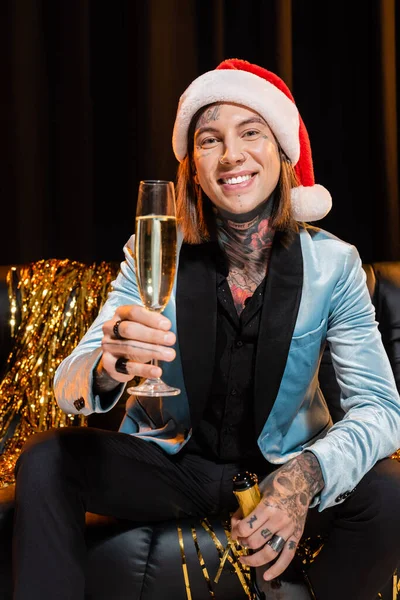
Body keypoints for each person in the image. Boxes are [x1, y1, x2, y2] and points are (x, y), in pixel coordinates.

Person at [12, 59, 400, 600]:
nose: (231, 155)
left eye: (251, 133)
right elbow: (69, 382)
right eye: (209, 139)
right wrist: (106, 368)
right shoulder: (153, 252)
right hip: (175, 469)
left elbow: (382, 408)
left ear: (283, 154)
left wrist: (304, 476)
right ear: (193, 166)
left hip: (278, 469)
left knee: (391, 493)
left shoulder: (334, 265)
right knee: (47, 460)